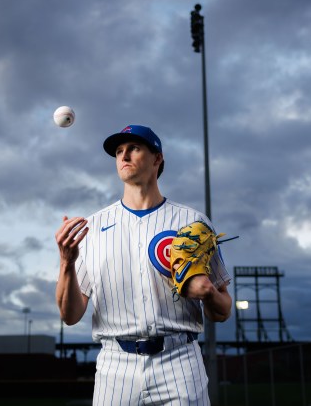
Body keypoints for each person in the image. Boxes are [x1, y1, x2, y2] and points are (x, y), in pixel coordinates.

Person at [55, 125, 232, 405]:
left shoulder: (192, 223)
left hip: (179, 361)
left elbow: (223, 312)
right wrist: (67, 263)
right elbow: (70, 315)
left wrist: (209, 293)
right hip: (115, 366)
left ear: (157, 159)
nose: (124, 155)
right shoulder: (93, 226)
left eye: (134, 148)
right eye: (118, 151)